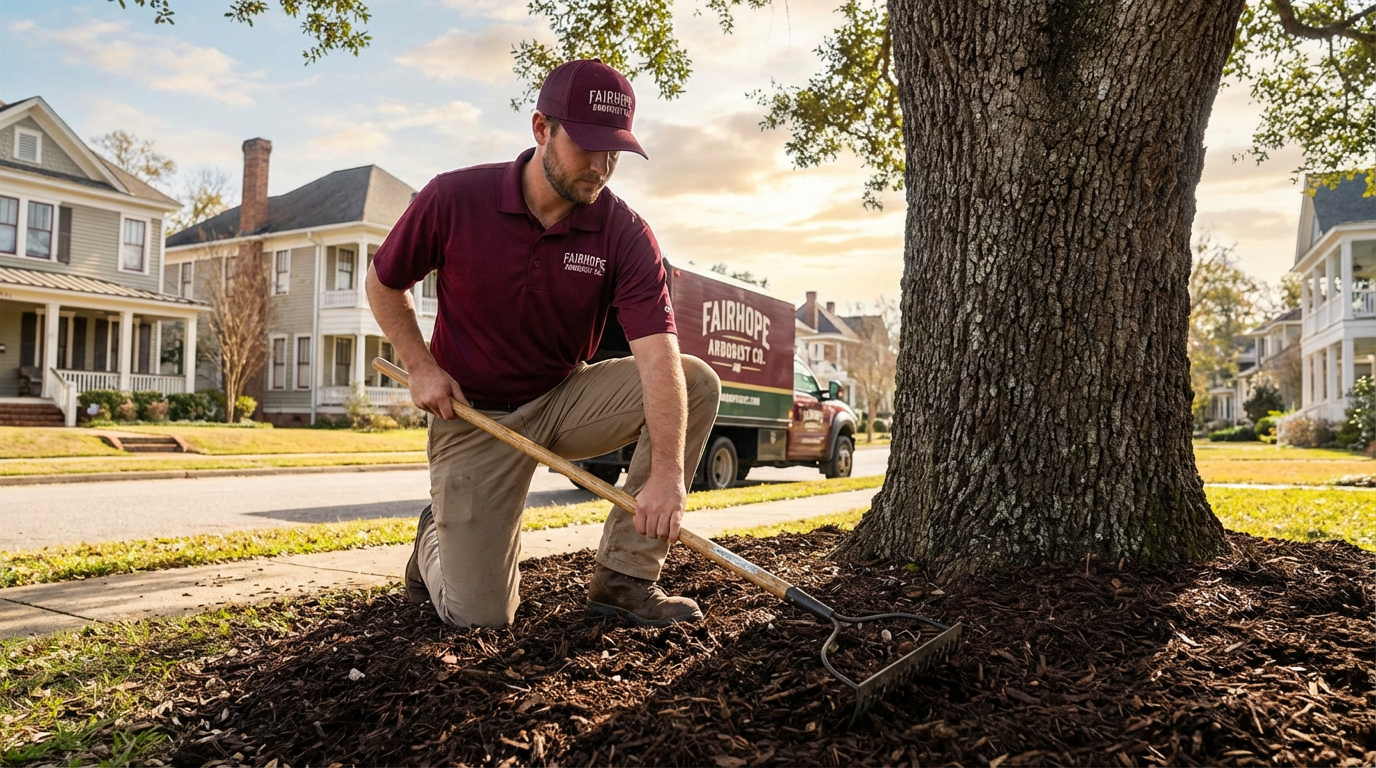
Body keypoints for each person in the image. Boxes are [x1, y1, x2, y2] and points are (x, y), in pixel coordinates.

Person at [366, 59, 721, 629]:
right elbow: (383, 283)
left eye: (615, 153)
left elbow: (657, 355)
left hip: (563, 399)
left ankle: (625, 580)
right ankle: (435, 535)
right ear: (541, 129)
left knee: (696, 379)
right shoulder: (455, 198)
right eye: (588, 148)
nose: (602, 167)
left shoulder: (623, 232)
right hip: (473, 415)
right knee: (478, 618)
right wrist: (422, 366)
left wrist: (668, 478)